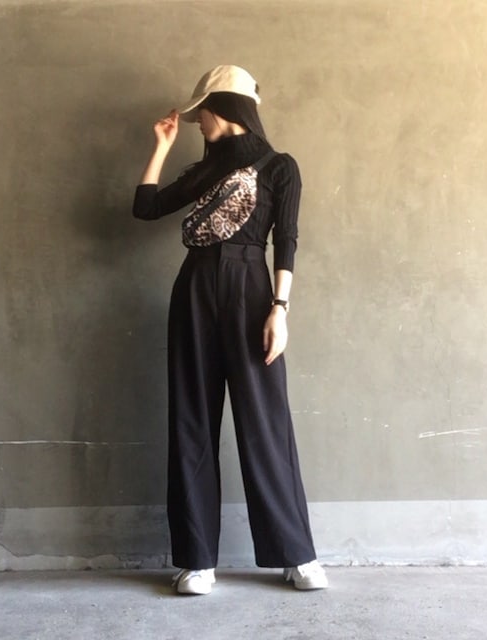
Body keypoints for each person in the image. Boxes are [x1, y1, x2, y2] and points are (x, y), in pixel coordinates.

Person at [133, 65, 328, 595]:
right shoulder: (205, 170)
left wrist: (279, 310)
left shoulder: (280, 167)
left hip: (251, 291)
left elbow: (286, 240)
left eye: (201, 113)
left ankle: (297, 554)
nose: (197, 122)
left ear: (223, 108)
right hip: (194, 287)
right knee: (192, 419)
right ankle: (198, 561)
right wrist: (161, 146)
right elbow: (145, 207)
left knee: (265, 422)